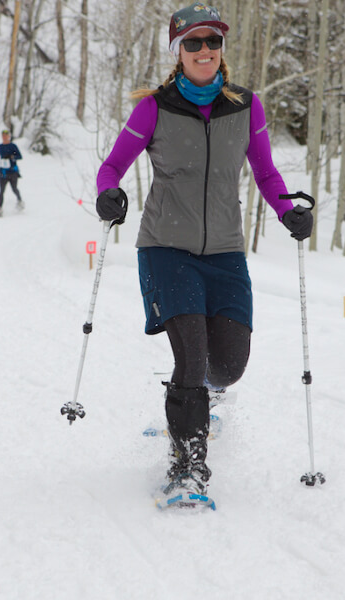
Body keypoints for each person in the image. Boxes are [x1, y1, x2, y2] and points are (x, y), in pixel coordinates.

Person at [95, 2, 313, 499]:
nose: (205, 51)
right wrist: (109, 195)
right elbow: (112, 169)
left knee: (228, 366)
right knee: (191, 357)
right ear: (178, 51)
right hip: (165, 248)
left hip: (225, 252)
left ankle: (200, 397)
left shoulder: (246, 106)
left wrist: (287, 211)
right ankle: (186, 468)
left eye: (212, 41)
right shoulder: (154, 108)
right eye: (193, 42)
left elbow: (266, 174)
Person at [0, 129, 24, 217]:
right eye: (3, 135)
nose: (4, 137)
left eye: (6, 135)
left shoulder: (13, 147)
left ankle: (20, 201)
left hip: (12, 172)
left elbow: (19, 156)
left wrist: (12, 157)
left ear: (9, 136)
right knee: (1, 190)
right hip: (3, 172)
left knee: (14, 188)